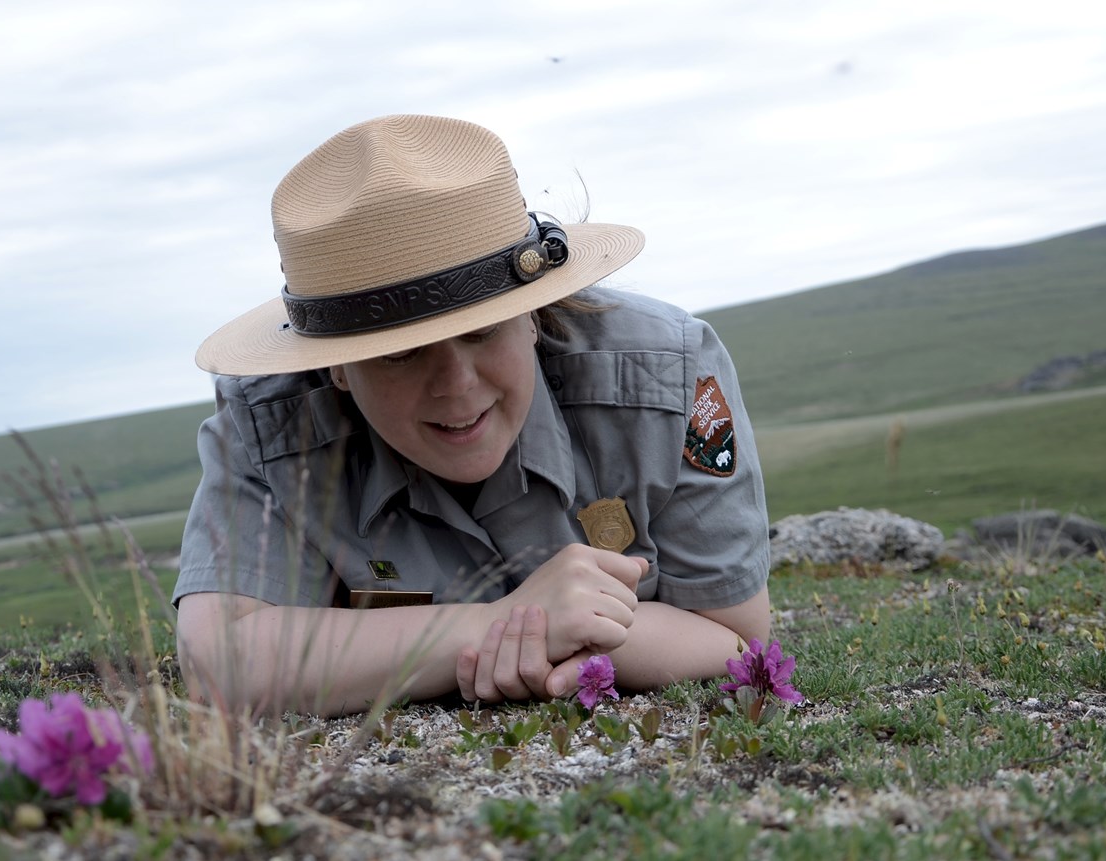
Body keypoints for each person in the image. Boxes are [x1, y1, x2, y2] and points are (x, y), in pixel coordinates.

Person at [174, 114, 771, 717]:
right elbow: (216, 663)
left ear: (534, 312)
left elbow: (738, 636)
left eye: (483, 331)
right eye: (401, 355)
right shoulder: (273, 420)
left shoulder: (669, 374)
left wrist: (392, 651)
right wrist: (503, 624)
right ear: (336, 368)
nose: (457, 387)